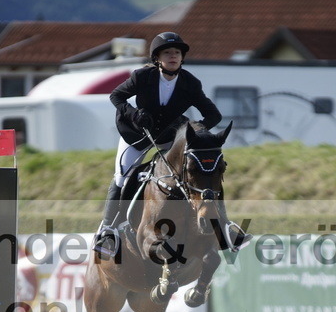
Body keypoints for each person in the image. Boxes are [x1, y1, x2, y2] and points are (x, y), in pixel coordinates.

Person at [93, 31, 251, 258]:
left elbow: (213, 115)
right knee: (122, 176)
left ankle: (224, 229)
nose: (173, 56)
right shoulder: (142, 77)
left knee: (204, 172)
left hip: (168, 137)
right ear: (157, 58)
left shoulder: (190, 83)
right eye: (167, 53)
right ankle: (107, 230)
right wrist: (134, 113)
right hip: (136, 134)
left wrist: (193, 132)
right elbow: (116, 96)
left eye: (177, 52)